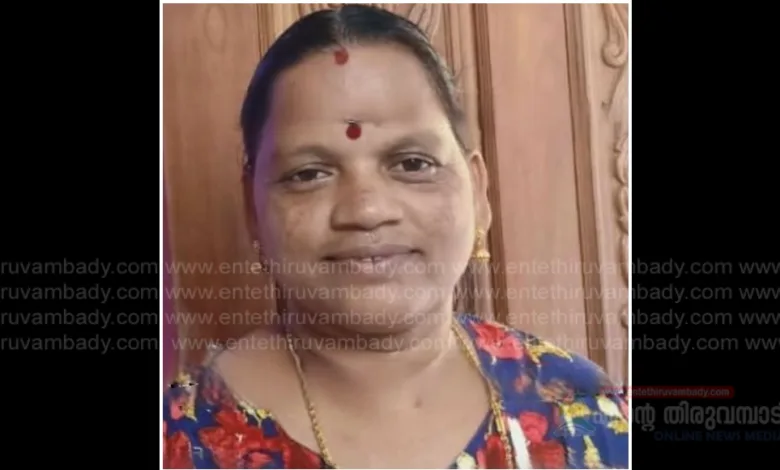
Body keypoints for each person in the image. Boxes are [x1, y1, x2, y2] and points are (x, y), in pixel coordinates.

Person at [163, 5, 629, 469]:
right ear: (253, 210)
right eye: (309, 174)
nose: (367, 211)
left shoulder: (583, 412)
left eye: (412, 164)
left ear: (477, 192)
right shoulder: (180, 440)